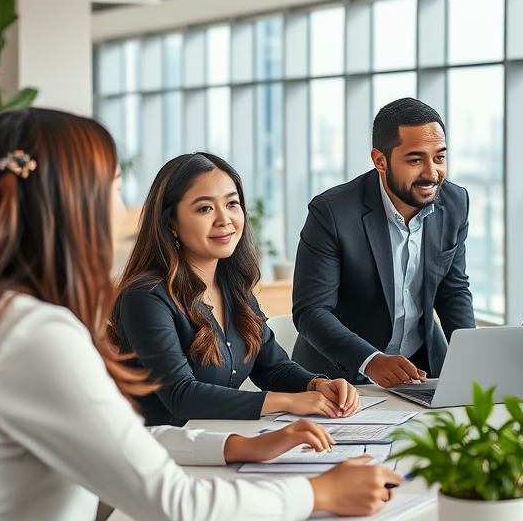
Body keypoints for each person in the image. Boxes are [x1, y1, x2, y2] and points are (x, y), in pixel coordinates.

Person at [0, 108, 401, 521]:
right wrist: (317, 493)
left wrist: (245, 445)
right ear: (71, 200)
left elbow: (123, 436)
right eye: (115, 185)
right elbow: (180, 510)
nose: (121, 208)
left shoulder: (11, 319)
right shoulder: (36, 336)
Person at [113, 153, 360, 427]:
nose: (225, 219)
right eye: (205, 208)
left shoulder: (234, 289)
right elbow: (181, 395)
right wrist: (289, 401)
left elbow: (273, 368)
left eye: (232, 204)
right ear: (170, 222)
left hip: (222, 444)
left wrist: (316, 385)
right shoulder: (145, 297)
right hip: (166, 453)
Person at [291, 98, 474, 387]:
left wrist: (472, 357)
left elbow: (453, 291)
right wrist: (370, 360)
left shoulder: (455, 203)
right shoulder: (332, 212)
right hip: (342, 379)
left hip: (423, 371)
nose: (431, 173)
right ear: (380, 160)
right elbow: (311, 311)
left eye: (439, 157)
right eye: (415, 160)